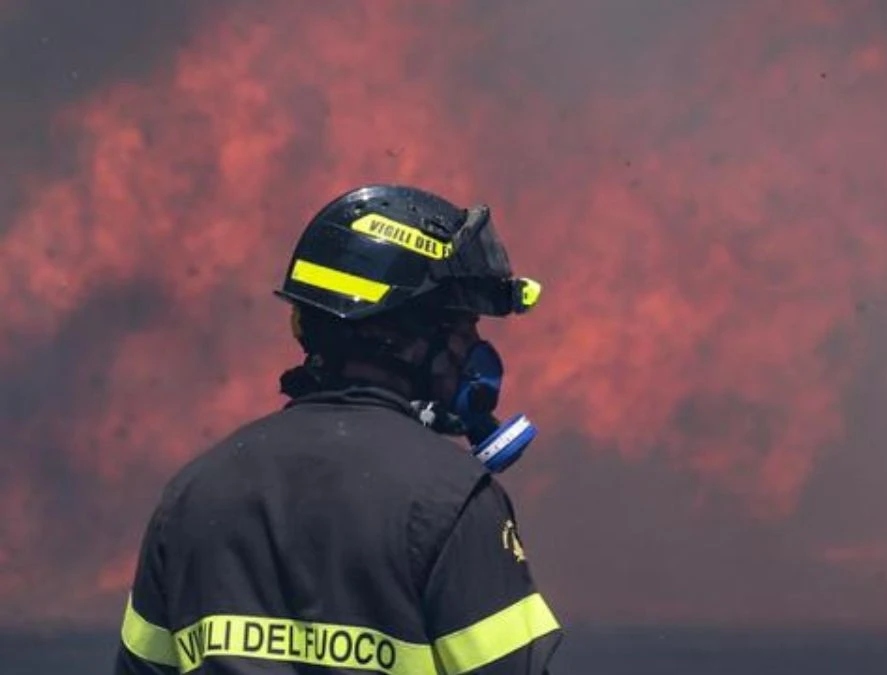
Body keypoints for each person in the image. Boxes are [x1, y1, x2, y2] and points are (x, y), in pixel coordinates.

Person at [113, 184, 562, 675]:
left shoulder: (192, 494)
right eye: (464, 326)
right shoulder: (451, 501)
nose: (474, 348)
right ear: (405, 335)